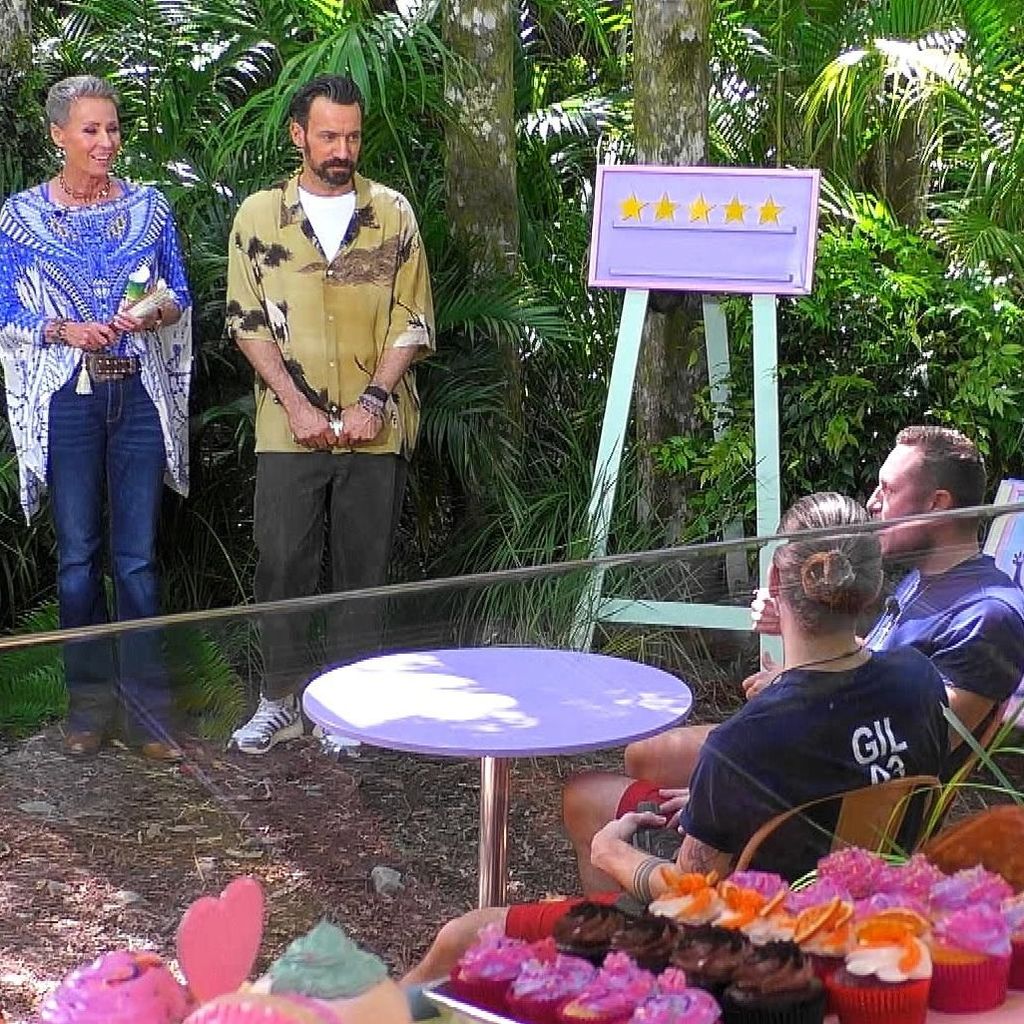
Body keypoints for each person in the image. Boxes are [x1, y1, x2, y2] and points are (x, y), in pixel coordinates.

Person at [402, 492, 948, 983]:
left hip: (752, 943)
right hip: (865, 902)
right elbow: (844, 759)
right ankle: (603, 964)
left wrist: (612, 852)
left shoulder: (746, 741)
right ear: (870, 585)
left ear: (776, 582)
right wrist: (727, 797)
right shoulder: (918, 677)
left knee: (458, 938)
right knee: (586, 794)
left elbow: (691, 890)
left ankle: (633, 967)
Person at [618, 426, 1024, 802]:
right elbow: (873, 666)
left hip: (845, 795)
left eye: (887, 489)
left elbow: (915, 740)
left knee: (643, 764)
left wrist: (798, 685)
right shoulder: (925, 579)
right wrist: (798, 622)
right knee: (643, 758)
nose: (872, 502)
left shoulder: (987, 613)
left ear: (937, 504)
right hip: (822, 745)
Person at [225, 74, 434, 755]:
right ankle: (279, 702)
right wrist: (295, 405)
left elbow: (412, 317)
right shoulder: (260, 216)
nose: (342, 149)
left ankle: (348, 709)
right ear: (299, 135)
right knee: (281, 564)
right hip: (288, 429)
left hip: (377, 429)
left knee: (362, 570)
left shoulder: (392, 213)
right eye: (328, 136)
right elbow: (246, 321)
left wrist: (374, 401)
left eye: (352, 136)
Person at [0, 75, 192, 759]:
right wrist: (63, 329)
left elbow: (179, 293)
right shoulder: (19, 217)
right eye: (90, 129)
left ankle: (148, 716)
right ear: (58, 134)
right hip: (68, 403)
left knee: (136, 561)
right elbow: (6, 307)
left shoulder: (150, 208)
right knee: (78, 561)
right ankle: (87, 711)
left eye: (112, 127)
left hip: (136, 396)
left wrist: (152, 312)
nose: (106, 141)